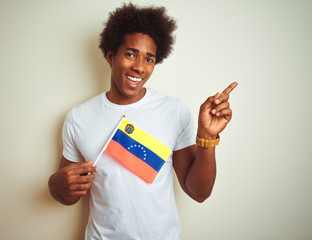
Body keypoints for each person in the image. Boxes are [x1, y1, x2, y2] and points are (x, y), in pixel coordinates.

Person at [48, 3, 237, 240]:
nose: (139, 67)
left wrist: (207, 139)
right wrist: (55, 187)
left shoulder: (174, 111)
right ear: (110, 56)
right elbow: (69, 195)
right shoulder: (79, 117)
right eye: (130, 54)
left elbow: (198, 192)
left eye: (149, 59)